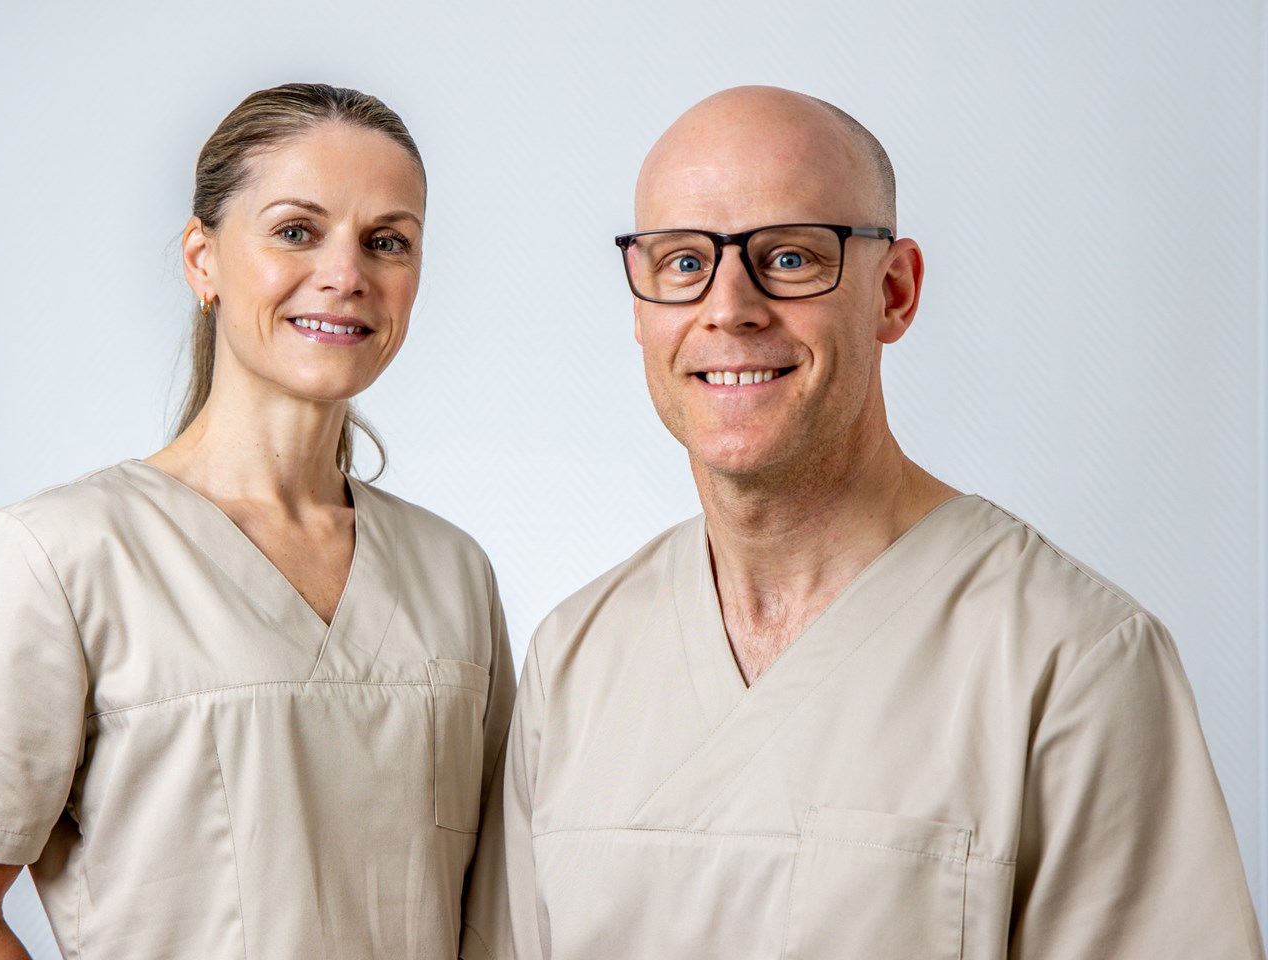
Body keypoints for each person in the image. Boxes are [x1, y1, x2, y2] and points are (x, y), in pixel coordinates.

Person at [466, 86, 1266, 959]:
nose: (728, 307)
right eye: (684, 262)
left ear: (895, 292)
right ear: (640, 308)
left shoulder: (1070, 660)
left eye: (790, 257)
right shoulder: (577, 659)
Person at [0, 83, 513, 960]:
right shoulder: (67, 554)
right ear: (202, 259)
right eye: (297, 231)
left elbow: (496, 911)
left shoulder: (452, 571)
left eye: (387, 242)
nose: (347, 275)